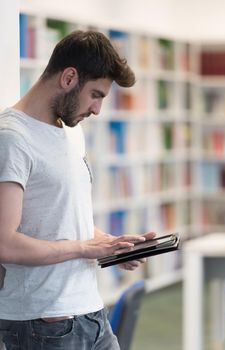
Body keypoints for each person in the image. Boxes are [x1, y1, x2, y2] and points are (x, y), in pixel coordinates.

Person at [0, 30, 156, 350]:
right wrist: (86, 249)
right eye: (96, 94)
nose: (97, 109)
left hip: (90, 311)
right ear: (69, 77)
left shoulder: (72, 132)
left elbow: (64, 220)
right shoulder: (12, 138)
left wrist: (109, 244)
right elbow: (5, 244)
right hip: (43, 323)